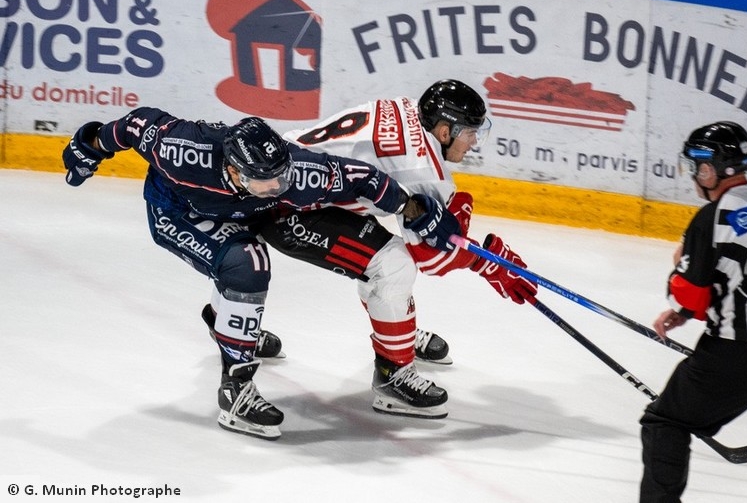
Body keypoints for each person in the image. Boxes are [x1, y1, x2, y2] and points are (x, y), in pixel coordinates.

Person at [61, 108, 460, 440]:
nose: (276, 186)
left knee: (253, 262)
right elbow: (133, 126)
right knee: (247, 264)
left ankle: (230, 324)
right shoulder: (183, 150)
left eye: (280, 178)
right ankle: (235, 390)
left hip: (247, 213)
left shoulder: (295, 174)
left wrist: (413, 210)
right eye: (262, 180)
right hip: (180, 213)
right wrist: (90, 144)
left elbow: (365, 179)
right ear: (233, 171)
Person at [258, 79, 538, 419]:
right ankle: (393, 376)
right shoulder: (422, 168)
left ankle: (394, 330)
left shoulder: (406, 108)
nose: (475, 142)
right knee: (392, 265)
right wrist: (491, 263)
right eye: (470, 133)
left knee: (379, 258)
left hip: (278, 176)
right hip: (284, 206)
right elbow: (432, 259)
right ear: (445, 130)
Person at [639, 121, 747, 502]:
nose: (694, 175)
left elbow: (692, 297)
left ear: (708, 169)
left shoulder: (711, 219)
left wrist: (678, 284)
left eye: (696, 167)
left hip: (730, 359)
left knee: (665, 420)